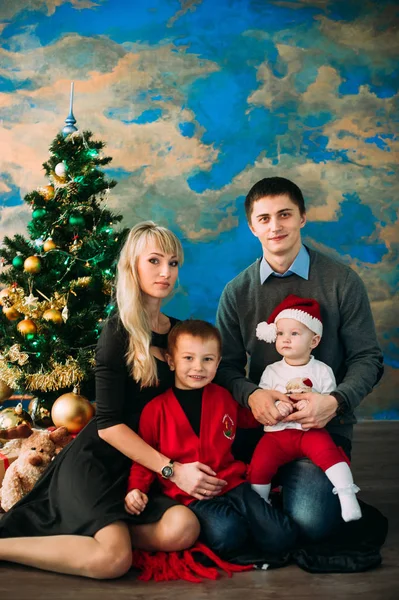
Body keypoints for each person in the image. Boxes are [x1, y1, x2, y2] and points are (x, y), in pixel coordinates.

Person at [0, 221, 228, 579]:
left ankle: (99, 534)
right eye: (154, 261)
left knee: (184, 526)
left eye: (173, 263)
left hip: (140, 470)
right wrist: (172, 469)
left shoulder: (180, 332)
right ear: (132, 266)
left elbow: (218, 378)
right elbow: (107, 425)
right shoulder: (117, 330)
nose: (165, 272)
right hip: (101, 462)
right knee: (113, 562)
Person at [215, 176, 383, 541]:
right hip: (264, 430)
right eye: (264, 218)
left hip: (322, 427)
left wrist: (335, 402)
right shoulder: (236, 293)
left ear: (302, 218)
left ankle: (309, 486)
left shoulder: (341, 282)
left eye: (285, 215)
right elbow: (224, 367)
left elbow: (368, 358)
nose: (275, 227)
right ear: (252, 226)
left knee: (311, 524)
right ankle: (276, 487)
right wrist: (251, 395)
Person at [126, 319, 298, 562]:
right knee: (229, 534)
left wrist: (276, 409)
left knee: (282, 536)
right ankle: (234, 525)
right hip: (191, 495)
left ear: (218, 363)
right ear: (171, 360)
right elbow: (144, 457)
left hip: (232, 483)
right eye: (188, 358)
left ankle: (252, 521)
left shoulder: (223, 397)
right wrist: (136, 488)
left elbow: (249, 419)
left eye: (207, 359)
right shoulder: (155, 410)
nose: (198, 367)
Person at [248, 294, 362, 523]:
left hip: (309, 430)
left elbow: (328, 401)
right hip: (277, 435)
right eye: (280, 333)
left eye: (294, 333)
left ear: (314, 341)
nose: (285, 339)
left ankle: (347, 494)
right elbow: (264, 398)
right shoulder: (271, 371)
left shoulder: (321, 370)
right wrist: (277, 406)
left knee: (329, 454)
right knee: (259, 465)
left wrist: (312, 402)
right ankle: (260, 506)